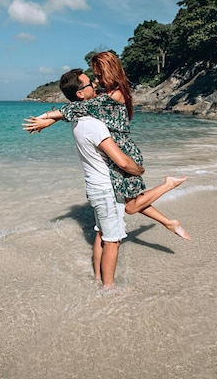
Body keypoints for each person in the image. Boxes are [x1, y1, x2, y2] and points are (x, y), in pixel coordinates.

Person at [24, 56, 190, 240]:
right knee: (133, 201)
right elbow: (80, 109)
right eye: (94, 77)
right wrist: (50, 121)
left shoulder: (115, 95)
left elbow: (79, 108)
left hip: (124, 154)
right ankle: (169, 223)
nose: (96, 81)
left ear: (109, 73)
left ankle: (168, 184)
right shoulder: (108, 95)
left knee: (130, 206)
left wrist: (47, 117)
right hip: (117, 153)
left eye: (98, 75)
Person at [26, 70, 144, 287]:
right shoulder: (95, 124)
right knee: (112, 240)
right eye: (90, 84)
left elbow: (66, 111)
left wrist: (46, 119)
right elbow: (122, 162)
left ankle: (97, 278)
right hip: (106, 189)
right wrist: (138, 170)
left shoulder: (78, 120)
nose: (95, 87)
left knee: (100, 233)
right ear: (80, 94)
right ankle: (108, 290)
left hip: (93, 186)